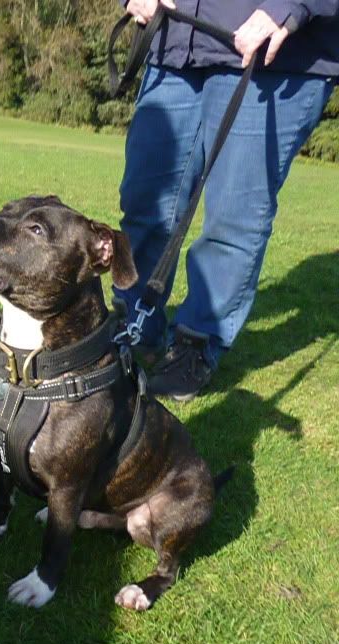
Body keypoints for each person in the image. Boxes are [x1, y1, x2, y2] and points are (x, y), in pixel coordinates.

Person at [115, 0, 338, 401]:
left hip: (275, 53)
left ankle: (197, 341)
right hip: (175, 41)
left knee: (233, 215)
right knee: (144, 202)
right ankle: (132, 323)